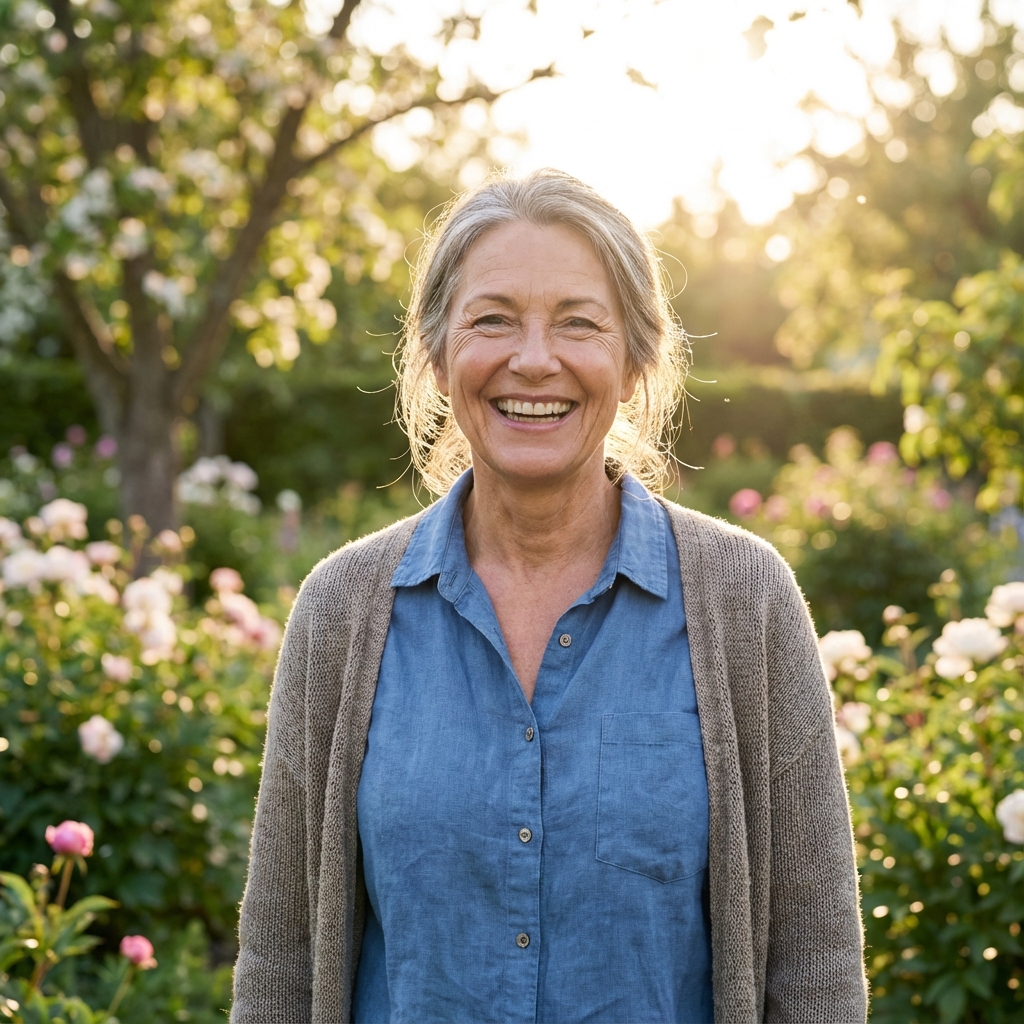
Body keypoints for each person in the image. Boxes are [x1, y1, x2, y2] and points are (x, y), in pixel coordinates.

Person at [230, 168, 867, 1024]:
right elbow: (281, 958)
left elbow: (816, 962)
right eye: (492, 320)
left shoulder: (747, 602)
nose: (534, 359)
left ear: (637, 360)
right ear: (436, 352)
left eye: (579, 323)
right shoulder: (342, 611)